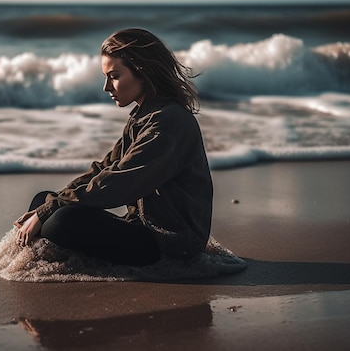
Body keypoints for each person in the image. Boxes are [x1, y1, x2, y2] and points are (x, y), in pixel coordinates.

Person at [14, 28, 213, 266]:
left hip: (171, 242)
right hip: (141, 226)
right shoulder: (144, 115)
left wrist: (52, 209)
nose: (106, 87)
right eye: (106, 77)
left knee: (61, 220)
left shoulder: (169, 122)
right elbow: (105, 168)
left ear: (143, 71)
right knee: (43, 201)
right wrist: (50, 204)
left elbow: (120, 182)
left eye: (114, 76)